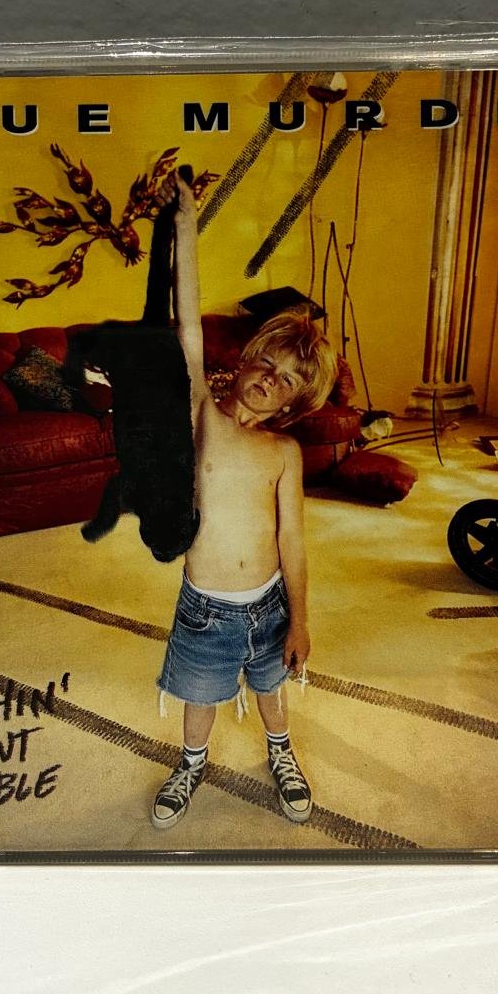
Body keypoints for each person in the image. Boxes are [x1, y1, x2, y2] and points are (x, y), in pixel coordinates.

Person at [150, 171, 337, 830]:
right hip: (204, 608)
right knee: (198, 696)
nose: (269, 381)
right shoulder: (204, 413)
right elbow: (187, 327)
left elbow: (292, 542)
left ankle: (280, 750)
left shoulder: (283, 453)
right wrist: (184, 228)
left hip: (269, 604)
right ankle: (191, 763)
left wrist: (300, 619)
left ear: (292, 402)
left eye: (286, 382)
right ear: (249, 358)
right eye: (267, 366)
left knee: (272, 688)